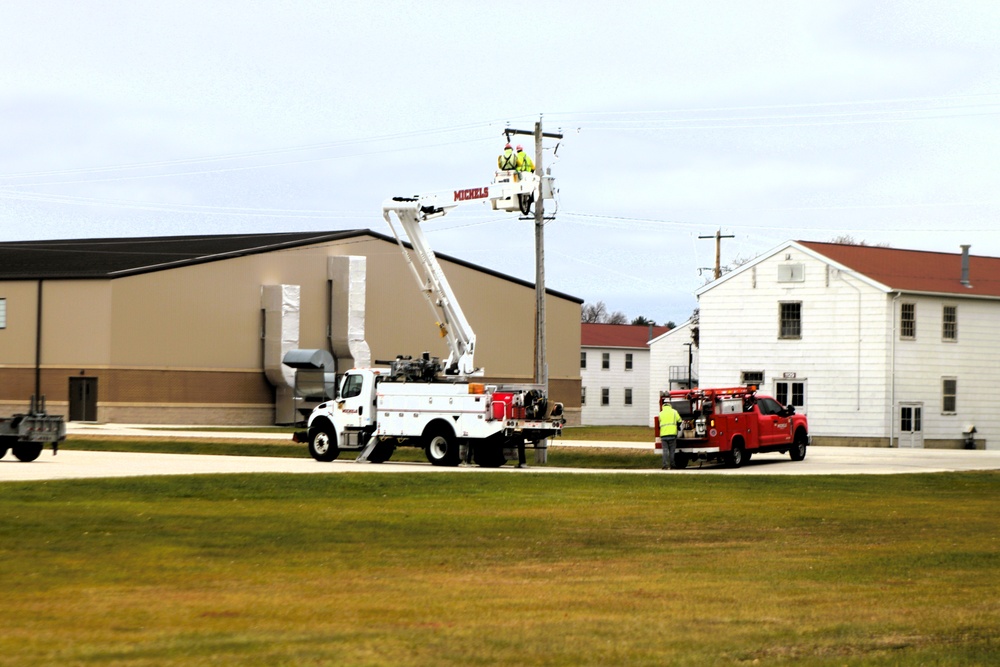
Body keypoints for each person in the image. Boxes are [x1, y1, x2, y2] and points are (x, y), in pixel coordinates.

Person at [658, 401, 683, 470]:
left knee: (665, 451)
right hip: (672, 434)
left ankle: (665, 465)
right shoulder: (674, 412)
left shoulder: (660, 413)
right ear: (670, 406)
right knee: (672, 451)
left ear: (663, 407)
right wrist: (678, 426)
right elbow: (680, 421)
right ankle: (672, 465)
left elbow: (659, 424)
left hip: (663, 435)